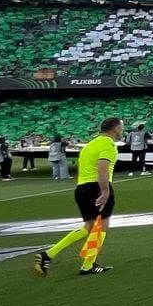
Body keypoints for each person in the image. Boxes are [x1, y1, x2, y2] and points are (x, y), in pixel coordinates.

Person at [34, 117, 124, 278]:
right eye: (121, 127)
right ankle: (88, 265)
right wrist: (105, 192)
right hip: (97, 187)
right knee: (101, 227)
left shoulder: (90, 145)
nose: (122, 131)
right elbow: (102, 169)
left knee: (88, 228)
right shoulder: (108, 145)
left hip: (81, 188)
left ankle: (48, 254)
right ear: (115, 128)